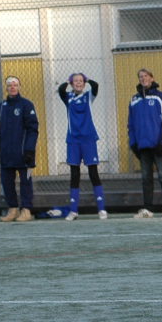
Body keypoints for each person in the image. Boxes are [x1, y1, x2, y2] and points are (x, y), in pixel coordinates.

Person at [57, 73, 108, 220]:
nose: (78, 83)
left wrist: (87, 79)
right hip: (73, 140)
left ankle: (101, 209)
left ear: (84, 83)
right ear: (72, 83)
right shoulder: (68, 98)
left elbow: (96, 86)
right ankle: (73, 211)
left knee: (93, 173)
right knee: (75, 174)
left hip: (88, 139)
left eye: (81, 81)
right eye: (75, 81)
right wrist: (68, 81)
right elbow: (61, 90)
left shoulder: (88, 96)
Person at [126, 68, 162, 219]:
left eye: (146, 76)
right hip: (143, 146)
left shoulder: (161, 97)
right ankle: (147, 208)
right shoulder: (134, 100)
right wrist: (133, 143)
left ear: (152, 78)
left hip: (158, 145)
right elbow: (131, 124)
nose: (143, 78)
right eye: (140, 76)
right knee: (146, 178)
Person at [0, 76, 38, 222]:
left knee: (26, 182)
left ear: (19, 87)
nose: (12, 87)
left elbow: (33, 130)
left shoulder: (27, 105)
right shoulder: (1, 107)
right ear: (6, 88)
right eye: (10, 85)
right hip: (7, 152)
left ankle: (26, 210)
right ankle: (13, 209)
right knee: (7, 182)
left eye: (15, 85)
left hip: (23, 152)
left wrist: (29, 150)